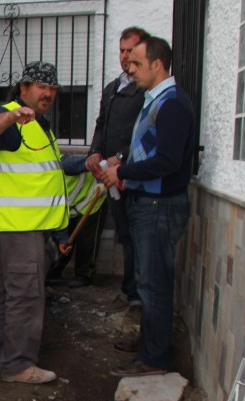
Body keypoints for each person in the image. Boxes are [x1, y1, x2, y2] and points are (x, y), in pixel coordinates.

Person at [0, 61, 68, 384]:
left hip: (18, 226)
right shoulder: (12, 118)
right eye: (41, 87)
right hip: (19, 227)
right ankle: (19, 364)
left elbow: (51, 166)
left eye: (52, 88)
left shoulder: (40, 124)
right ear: (24, 88)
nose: (48, 93)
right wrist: (11, 116)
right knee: (26, 294)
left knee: (5, 294)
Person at [101, 36, 194, 377]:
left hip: (159, 205)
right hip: (148, 202)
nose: (131, 68)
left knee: (154, 284)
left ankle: (154, 359)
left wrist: (122, 171)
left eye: (137, 63)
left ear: (157, 65)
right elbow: (147, 149)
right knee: (147, 280)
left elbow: (167, 161)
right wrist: (122, 163)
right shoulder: (156, 101)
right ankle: (149, 344)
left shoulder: (172, 104)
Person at [85, 27, 151, 314]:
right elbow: (102, 124)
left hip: (131, 176)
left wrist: (121, 158)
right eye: (122, 50)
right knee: (124, 234)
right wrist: (95, 152)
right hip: (109, 175)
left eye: (130, 51)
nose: (125, 56)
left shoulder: (145, 91)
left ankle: (135, 296)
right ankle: (128, 291)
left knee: (135, 237)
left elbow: (144, 134)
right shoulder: (113, 88)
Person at [46, 163, 106, 288]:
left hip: (92, 196)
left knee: (86, 239)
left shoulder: (64, 164)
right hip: (69, 205)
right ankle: (55, 271)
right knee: (64, 241)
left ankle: (84, 275)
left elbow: (96, 164)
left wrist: (101, 179)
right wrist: (63, 238)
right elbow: (58, 219)